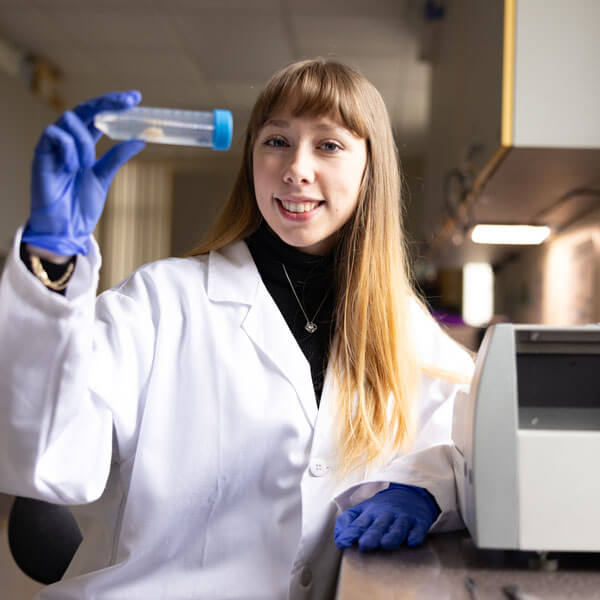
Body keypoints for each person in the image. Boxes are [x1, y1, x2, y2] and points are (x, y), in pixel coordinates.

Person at [0, 59, 473, 599]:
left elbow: (476, 449)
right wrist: (50, 264)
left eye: (329, 145)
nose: (296, 168)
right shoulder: (161, 303)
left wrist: (428, 489)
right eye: (276, 141)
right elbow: (51, 458)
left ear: (371, 169)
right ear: (252, 158)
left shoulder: (404, 330)